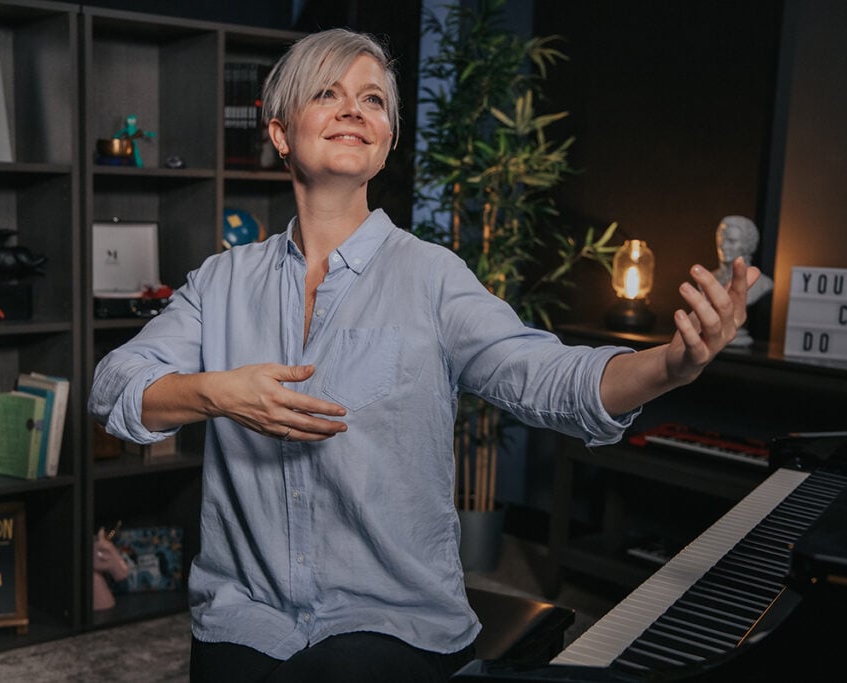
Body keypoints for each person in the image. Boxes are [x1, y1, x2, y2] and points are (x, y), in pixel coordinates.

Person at [88, 28, 759, 683]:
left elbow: (548, 378)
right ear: (280, 133)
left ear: (384, 145)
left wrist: (673, 364)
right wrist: (217, 393)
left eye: (374, 99)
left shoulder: (433, 277)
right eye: (328, 92)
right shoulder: (221, 280)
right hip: (247, 614)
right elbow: (114, 387)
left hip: (392, 619)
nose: (355, 107)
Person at [711, 215, 773, 347]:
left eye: (731, 241)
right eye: (721, 239)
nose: (723, 246)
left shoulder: (762, 283)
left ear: (747, 245)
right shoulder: (710, 279)